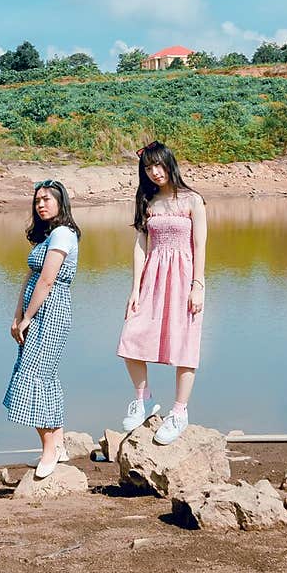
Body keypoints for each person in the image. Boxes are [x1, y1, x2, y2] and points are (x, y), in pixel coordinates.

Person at [116, 140, 208, 445]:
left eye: (159, 165)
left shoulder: (193, 200)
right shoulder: (148, 202)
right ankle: (143, 399)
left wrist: (198, 285)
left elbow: (199, 246)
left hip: (184, 279)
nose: (155, 172)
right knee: (131, 337)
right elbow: (141, 246)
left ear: (170, 163)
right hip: (153, 277)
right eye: (148, 168)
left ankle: (179, 412)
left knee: (184, 346)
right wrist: (134, 288)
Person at [3, 180, 80, 479]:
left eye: (47, 199)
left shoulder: (63, 234)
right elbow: (31, 276)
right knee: (43, 375)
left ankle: (49, 448)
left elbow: (48, 280)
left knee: (36, 375)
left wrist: (28, 317)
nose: (41, 204)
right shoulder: (47, 236)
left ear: (61, 202)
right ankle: (57, 443)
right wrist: (17, 315)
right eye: (37, 200)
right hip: (36, 310)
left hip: (52, 310)